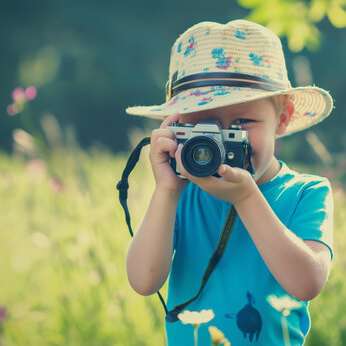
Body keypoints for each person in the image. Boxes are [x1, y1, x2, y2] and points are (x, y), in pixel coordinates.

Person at [125, 19, 334, 345]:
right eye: (204, 127)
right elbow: (143, 281)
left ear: (281, 119)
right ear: (177, 127)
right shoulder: (182, 194)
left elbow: (307, 283)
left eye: (241, 123)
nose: (221, 141)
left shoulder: (306, 193)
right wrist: (166, 190)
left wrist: (248, 198)